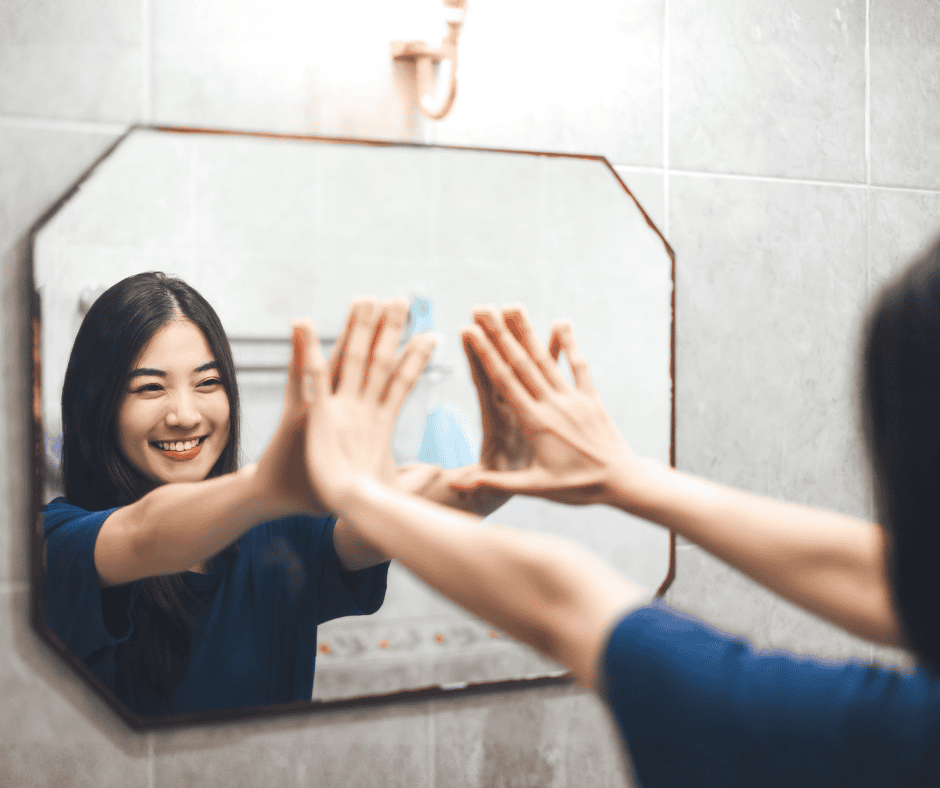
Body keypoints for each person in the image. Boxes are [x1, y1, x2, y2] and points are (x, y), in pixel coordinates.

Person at [294, 242, 940, 785]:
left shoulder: (893, 741)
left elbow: (565, 602)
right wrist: (627, 478)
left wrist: (356, 489)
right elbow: (878, 575)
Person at [42, 272, 513, 718]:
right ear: (98, 405)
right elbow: (145, 533)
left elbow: (396, 506)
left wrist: (498, 475)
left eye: (209, 383)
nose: (185, 414)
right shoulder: (56, 543)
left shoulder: (277, 535)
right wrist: (264, 487)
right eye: (149, 388)